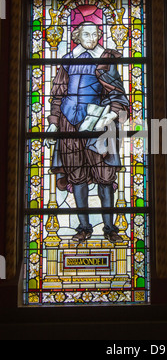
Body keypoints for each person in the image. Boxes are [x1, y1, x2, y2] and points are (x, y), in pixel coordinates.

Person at [44, 22, 129, 243]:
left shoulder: (106, 60)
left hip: (97, 124)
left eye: (94, 34)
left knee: (105, 176)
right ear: (76, 36)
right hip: (69, 124)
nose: (91, 37)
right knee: (76, 174)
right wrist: (54, 121)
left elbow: (117, 92)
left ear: (99, 36)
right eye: (86, 34)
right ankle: (83, 227)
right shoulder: (68, 61)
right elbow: (58, 93)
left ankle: (110, 228)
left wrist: (113, 114)